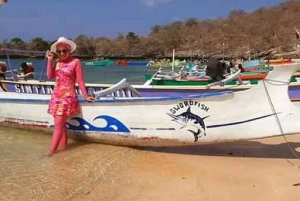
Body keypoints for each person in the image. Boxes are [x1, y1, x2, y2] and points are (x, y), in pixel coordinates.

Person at [44, 36, 95, 156]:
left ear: (69, 50)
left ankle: (51, 152)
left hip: (67, 97)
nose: (62, 53)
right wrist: (50, 60)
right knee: (60, 126)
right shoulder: (58, 62)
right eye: (59, 51)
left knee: (58, 124)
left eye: (64, 51)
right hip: (56, 96)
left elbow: (80, 81)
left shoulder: (76, 62)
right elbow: (50, 76)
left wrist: (86, 95)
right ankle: (64, 150)